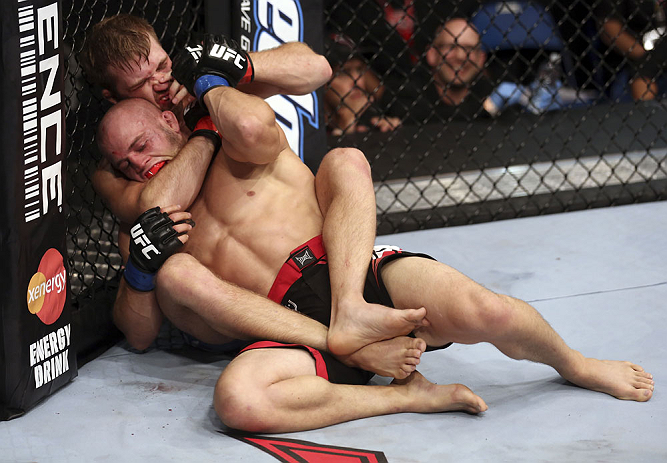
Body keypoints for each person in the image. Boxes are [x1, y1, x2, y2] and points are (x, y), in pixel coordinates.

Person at [95, 43, 654, 433]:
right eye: (124, 162)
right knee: (237, 397)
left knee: (486, 307)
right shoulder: (145, 219)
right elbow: (139, 334)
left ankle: (575, 363)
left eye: (143, 145)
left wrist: (226, 73)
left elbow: (312, 67)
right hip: (286, 329)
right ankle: (395, 391)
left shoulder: (219, 112)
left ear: (168, 117)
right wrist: (141, 272)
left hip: (344, 270)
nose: (137, 165)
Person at [85, 17, 427, 378]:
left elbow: (316, 68)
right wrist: (208, 125)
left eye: (163, 65)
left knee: (347, 160)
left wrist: (229, 66)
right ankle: (342, 341)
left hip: (298, 266)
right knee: (175, 274)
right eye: (141, 83)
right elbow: (154, 204)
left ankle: (349, 308)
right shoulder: (120, 160)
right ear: (113, 96)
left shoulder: (199, 86)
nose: (162, 82)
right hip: (225, 317)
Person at [388, 18, 495, 123]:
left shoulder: (491, 92)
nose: (460, 56)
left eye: (469, 48)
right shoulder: (406, 94)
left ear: (481, 59)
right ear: (432, 55)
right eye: (451, 47)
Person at [324, 33, 401, 135]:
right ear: (321, 82)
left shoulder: (373, 120)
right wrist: (343, 131)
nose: (357, 81)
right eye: (344, 73)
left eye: (360, 70)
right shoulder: (306, 128)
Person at [593, 0, 667, 101]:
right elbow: (610, 30)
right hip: (631, 65)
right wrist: (649, 59)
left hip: (661, 58)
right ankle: (644, 111)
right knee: (643, 73)